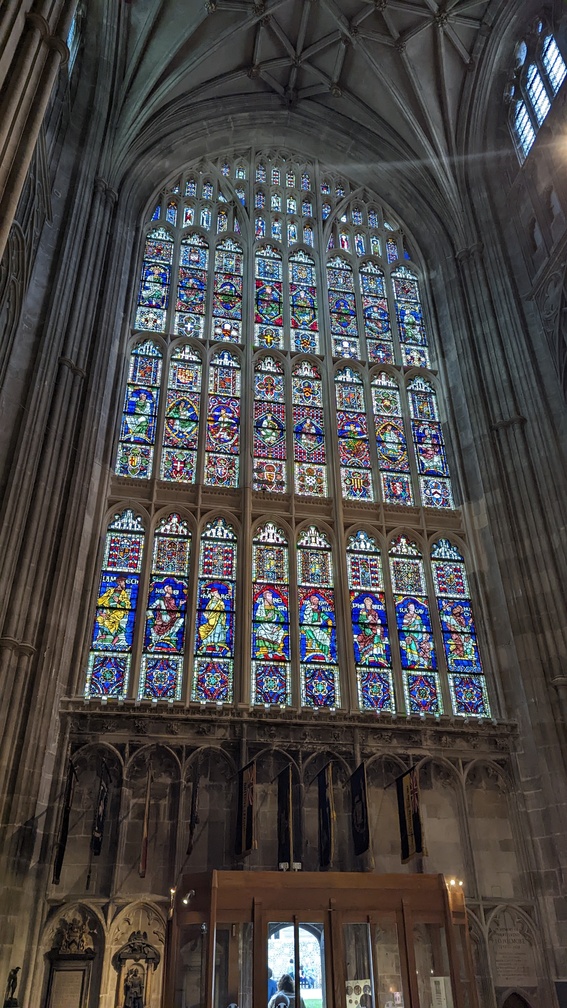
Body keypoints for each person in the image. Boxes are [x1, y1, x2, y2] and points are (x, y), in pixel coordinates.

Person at [95, 576, 131, 648]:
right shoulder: (110, 591)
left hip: (118, 612)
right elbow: (101, 601)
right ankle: (104, 634)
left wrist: (118, 601)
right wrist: (101, 612)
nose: (124, 584)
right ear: (119, 582)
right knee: (100, 618)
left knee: (108, 621)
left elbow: (127, 605)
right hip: (109, 611)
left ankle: (115, 636)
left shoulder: (124, 594)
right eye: (123, 582)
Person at [147, 583, 184, 650]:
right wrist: (154, 621)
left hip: (171, 621)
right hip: (162, 621)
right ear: (166, 590)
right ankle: (154, 643)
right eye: (170, 589)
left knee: (181, 620)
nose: (171, 590)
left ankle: (172, 635)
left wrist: (180, 605)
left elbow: (174, 612)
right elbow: (149, 610)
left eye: (171, 589)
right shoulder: (160, 600)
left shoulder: (172, 600)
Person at [254, 590, 286, 659]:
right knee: (261, 632)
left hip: (273, 626)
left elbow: (282, 618)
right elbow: (257, 619)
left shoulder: (273, 608)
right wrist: (266, 617)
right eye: (269, 596)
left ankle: (274, 650)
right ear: (265, 598)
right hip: (264, 626)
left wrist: (277, 628)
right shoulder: (260, 607)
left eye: (271, 596)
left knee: (281, 632)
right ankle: (268, 651)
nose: (271, 598)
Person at [301, 594, 333, 660]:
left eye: (318, 601)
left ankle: (326, 654)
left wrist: (329, 631)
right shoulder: (308, 610)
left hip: (317, 629)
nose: (317, 602)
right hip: (309, 628)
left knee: (326, 639)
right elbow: (306, 617)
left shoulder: (319, 612)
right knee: (308, 630)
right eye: (316, 600)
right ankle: (313, 642)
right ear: (312, 601)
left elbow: (328, 620)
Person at [356, 596, 386, 665]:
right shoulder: (363, 611)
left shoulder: (374, 612)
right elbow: (361, 622)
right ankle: (366, 656)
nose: (367, 603)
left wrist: (375, 621)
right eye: (366, 602)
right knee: (366, 637)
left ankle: (378, 655)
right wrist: (367, 620)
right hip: (366, 630)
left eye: (369, 602)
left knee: (377, 635)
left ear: (371, 603)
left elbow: (376, 620)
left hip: (374, 629)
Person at [197, 586, 229, 651]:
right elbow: (207, 610)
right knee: (202, 630)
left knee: (217, 633)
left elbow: (223, 612)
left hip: (218, 621)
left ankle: (216, 644)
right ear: (212, 594)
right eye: (215, 593)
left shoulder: (220, 602)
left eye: (217, 592)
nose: (217, 594)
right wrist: (206, 614)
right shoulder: (210, 602)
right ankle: (205, 645)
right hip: (210, 621)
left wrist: (220, 620)